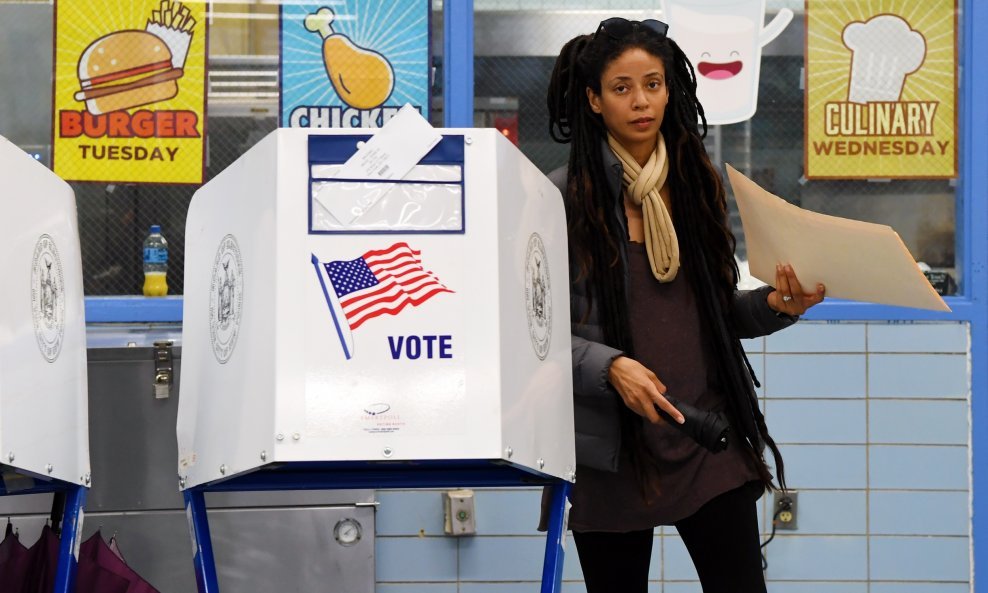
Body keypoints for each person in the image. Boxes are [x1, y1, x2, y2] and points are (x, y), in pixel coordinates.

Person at [543, 17, 826, 593]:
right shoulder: (561, 198)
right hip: (614, 452)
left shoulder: (696, 185)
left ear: (671, 88)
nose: (641, 101)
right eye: (621, 88)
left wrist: (776, 306)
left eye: (653, 83)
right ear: (593, 99)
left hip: (705, 438)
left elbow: (719, 317)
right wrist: (609, 366)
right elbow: (533, 334)